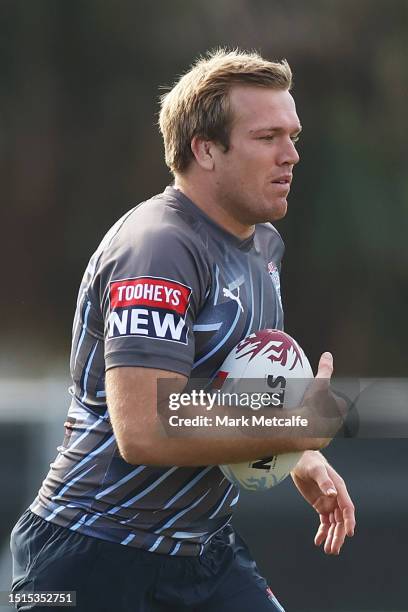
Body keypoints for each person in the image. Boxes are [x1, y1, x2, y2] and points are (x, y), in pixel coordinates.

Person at [10, 49, 355, 611]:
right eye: (267, 137)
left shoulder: (263, 245)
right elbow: (145, 428)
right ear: (206, 150)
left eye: (293, 137)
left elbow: (227, 389)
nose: (291, 156)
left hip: (202, 554)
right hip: (93, 554)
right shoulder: (160, 247)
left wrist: (301, 455)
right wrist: (295, 426)